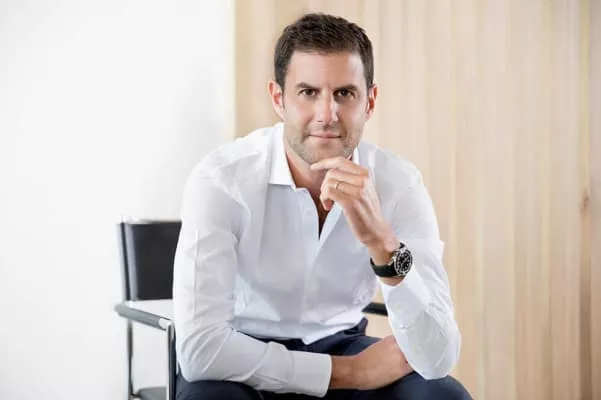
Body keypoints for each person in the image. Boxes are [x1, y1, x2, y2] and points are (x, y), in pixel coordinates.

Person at [173, 12, 471, 400]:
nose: (327, 115)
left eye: (344, 93)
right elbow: (200, 351)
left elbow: (438, 357)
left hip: (343, 341)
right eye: (308, 92)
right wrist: (345, 373)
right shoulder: (221, 180)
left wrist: (383, 244)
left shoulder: (399, 183)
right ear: (278, 99)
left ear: (370, 101)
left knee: (443, 396)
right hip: (241, 358)